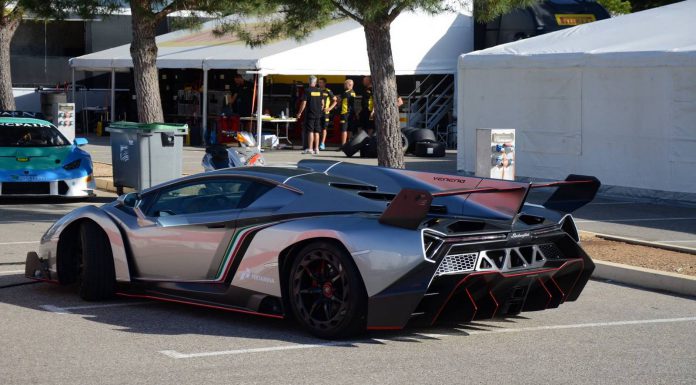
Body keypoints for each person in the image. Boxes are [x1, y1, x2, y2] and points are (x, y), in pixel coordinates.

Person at [296, 76, 325, 154]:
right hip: (318, 114)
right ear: (315, 82)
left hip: (310, 114)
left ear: (309, 82)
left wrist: (299, 113)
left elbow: (304, 103)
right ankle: (316, 149)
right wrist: (319, 110)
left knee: (310, 131)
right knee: (317, 131)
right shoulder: (320, 91)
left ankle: (310, 148)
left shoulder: (307, 90)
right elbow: (323, 104)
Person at [336, 79, 357, 149]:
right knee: (349, 129)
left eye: (345, 84)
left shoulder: (346, 93)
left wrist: (338, 101)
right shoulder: (353, 92)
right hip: (351, 113)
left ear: (350, 85)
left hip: (345, 113)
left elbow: (338, 99)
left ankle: (343, 145)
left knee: (344, 129)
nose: (344, 85)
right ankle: (349, 144)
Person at [317, 77, 337, 150]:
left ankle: (322, 143)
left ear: (325, 83)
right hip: (317, 112)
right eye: (319, 82)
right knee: (317, 128)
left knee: (324, 128)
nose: (320, 84)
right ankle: (317, 143)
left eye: (321, 82)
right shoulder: (316, 90)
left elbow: (335, 101)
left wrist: (329, 108)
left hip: (325, 113)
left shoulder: (328, 91)